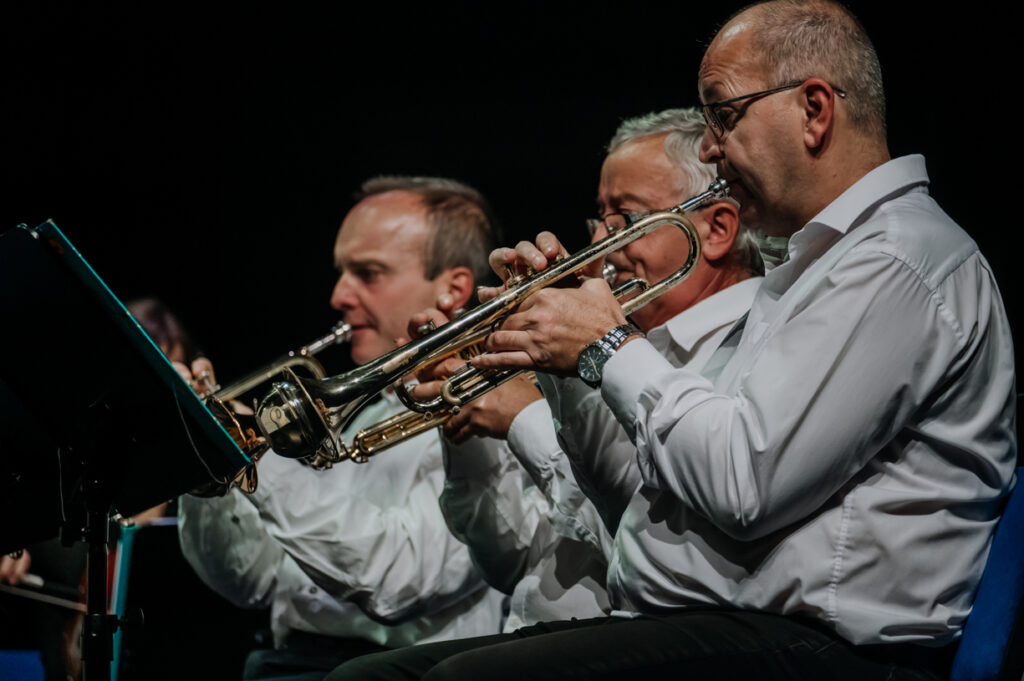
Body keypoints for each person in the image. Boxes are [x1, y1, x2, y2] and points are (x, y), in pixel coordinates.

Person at [328, 2, 1017, 679]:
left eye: (724, 114)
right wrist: (561, 357)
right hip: (724, 627)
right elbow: (634, 502)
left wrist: (604, 345)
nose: (712, 146)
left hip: (830, 652)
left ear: (814, 110)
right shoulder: (814, 266)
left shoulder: (896, 258)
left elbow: (744, 484)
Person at [426, 107, 763, 634]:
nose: (599, 246)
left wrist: (528, 417)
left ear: (716, 229)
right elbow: (512, 560)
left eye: (623, 221)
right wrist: (467, 425)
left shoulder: (748, 348)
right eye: (598, 222)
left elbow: (655, 543)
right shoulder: (628, 336)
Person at [177, 177, 504, 681]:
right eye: (341, 274)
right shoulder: (358, 413)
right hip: (282, 662)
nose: (338, 296)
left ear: (453, 288)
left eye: (368, 273)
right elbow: (252, 581)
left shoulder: (490, 414)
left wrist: (253, 458)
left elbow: (399, 581)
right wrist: (207, 464)